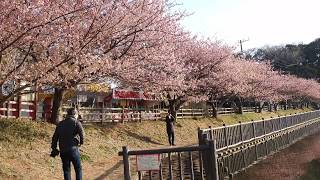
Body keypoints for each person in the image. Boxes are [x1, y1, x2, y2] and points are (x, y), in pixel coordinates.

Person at [51, 108, 85, 180]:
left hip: (63, 150)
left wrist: (54, 148)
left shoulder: (60, 124)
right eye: (77, 114)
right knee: (78, 168)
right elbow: (82, 134)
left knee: (66, 170)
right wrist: (81, 143)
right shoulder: (76, 122)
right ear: (74, 114)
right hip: (73, 149)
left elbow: (54, 138)